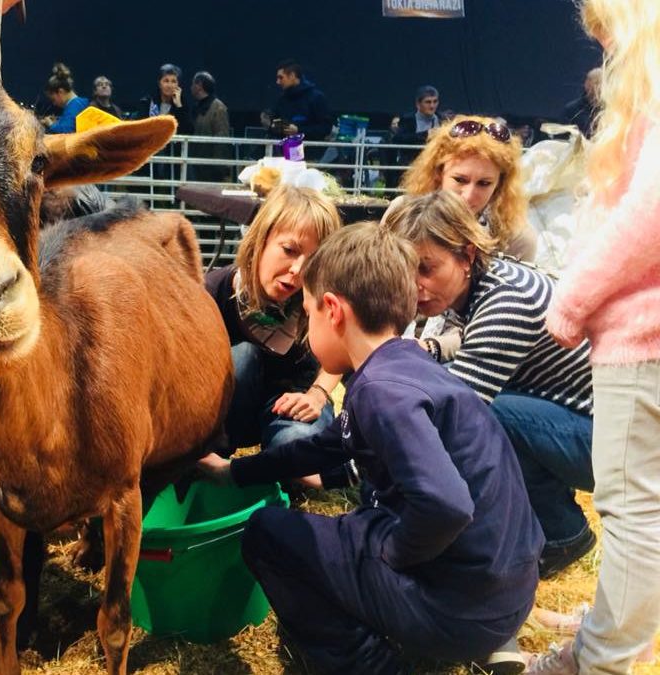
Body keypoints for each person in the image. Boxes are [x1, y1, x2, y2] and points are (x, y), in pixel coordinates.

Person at [198, 222, 543, 675]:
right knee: (354, 523)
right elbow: (327, 445)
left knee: (267, 534)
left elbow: (447, 504)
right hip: (504, 593)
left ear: (333, 311)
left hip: (458, 611)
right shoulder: (406, 367)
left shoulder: (381, 392)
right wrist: (234, 472)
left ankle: (370, 664)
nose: (306, 334)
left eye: (308, 314)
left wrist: (392, 552)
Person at [526, 1, 660, 672]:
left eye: (605, 39)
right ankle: (615, 632)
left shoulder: (655, 80)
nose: (604, 58)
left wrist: (574, 299)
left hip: (643, 336)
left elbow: (651, 206)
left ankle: (602, 659)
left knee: (631, 510)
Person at [385, 190, 596, 581]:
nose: (414, 286)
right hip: (576, 420)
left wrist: (347, 465)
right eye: (405, 271)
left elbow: (453, 409)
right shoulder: (487, 278)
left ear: (466, 256)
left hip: (605, 441)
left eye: (426, 269)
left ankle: (562, 533)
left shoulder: (506, 301)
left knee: (486, 417)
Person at [201, 185, 344, 487]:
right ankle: (215, 458)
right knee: (243, 356)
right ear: (261, 238)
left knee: (297, 452)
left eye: (313, 259)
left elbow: (342, 352)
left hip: (292, 404)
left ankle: (277, 462)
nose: (298, 270)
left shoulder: (320, 298)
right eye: (289, 250)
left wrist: (317, 395)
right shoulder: (211, 292)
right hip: (224, 416)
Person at [397, 114, 538, 262]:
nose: (468, 195)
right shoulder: (401, 215)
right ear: (438, 172)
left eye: (484, 183)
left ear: (500, 185)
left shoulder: (517, 238)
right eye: (460, 180)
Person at [270, 59, 332, 142]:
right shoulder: (282, 100)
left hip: (310, 152)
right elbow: (275, 125)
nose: (278, 82)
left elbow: (325, 128)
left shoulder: (316, 97)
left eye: (281, 78)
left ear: (292, 76)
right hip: (284, 151)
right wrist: (271, 125)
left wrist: (299, 130)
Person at [189, 71, 232, 183]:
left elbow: (222, 138)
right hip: (198, 164)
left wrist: (219, 166)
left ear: (199, 86)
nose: (191, 87)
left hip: (212, 168)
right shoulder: (197, 107)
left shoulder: (218, 108)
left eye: (193, 84)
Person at [138, 63, 193, 134]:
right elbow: (139, 128)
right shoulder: (147, 103)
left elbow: (189, 131)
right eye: (166, 81)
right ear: (159, 84)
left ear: (178, 85)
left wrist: (179, 106)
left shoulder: (183, 105)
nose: (169, 85)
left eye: (173, 81)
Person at [42, 62, 89, 134]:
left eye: (53, 99)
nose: (54, 104)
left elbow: (67, 132)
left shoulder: (74, 106)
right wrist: (59, 120)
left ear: (60, 92)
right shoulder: (81, 102)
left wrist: (50, 124)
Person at [560, 67, 602, 138]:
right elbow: (562, 138)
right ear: (586, 84)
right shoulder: (571, 110)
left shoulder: (612, 112)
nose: (598, 87)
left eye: (600, 83)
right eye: (596, 83)